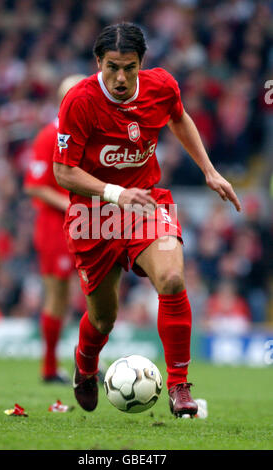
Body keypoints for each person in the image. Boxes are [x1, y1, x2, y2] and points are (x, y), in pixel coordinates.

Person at [53, 23, 241, 416]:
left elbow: (179, 117)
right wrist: (115, 193)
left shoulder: (162, 86)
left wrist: (209, 170)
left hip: (146, 206)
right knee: (103, 319)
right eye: (111, 68)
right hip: (94, 216)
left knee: (172, 279)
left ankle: (179, 387)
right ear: (97, 63)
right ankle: (85, 364)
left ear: (142, 63)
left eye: (129, 67)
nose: (120, 78)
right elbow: (63, 173)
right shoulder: (79, 101)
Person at [24, 74, 86, 383]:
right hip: (54, 227)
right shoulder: (50, 135)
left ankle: (85, 364)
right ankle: (49, 368)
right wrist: (71, 205)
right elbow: (35, 186)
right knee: (57, 294)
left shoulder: (87, 135)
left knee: (90, 292)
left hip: (86, 224)